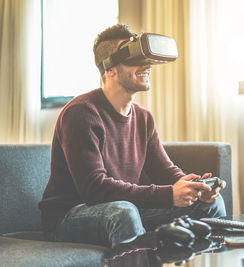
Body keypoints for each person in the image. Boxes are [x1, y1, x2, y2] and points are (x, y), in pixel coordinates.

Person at [38, 24, 226, 248]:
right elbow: (95, 189)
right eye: (135, 58)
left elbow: (164, 171)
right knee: (124, 212)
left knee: (212, 205)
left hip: (123, 208)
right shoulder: (81, 113)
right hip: (69, 216)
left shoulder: (143, 118)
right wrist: (168, 195)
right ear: (109, 69)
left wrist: (195, 186)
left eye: (146, 58)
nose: (147, 65)